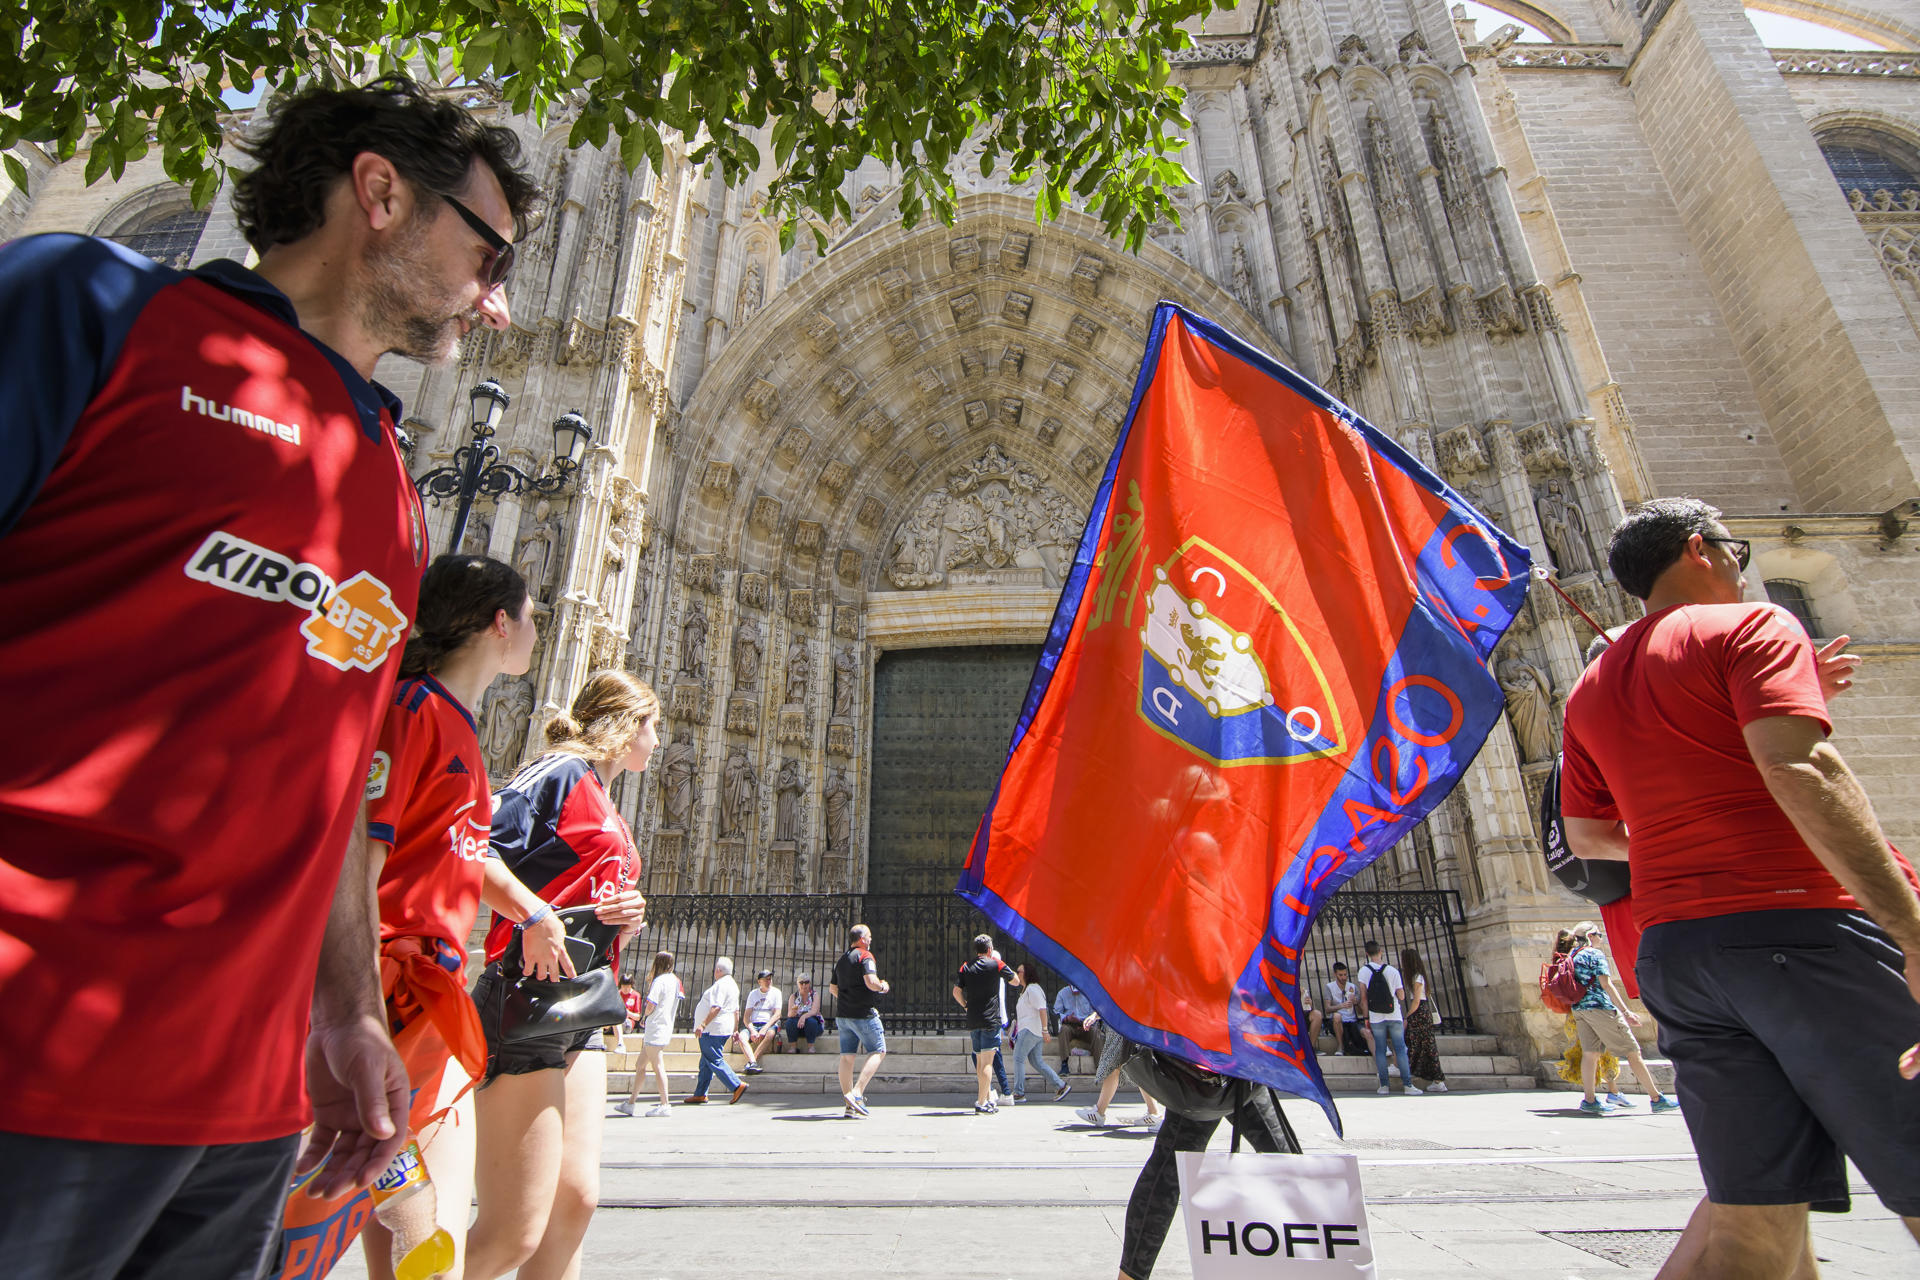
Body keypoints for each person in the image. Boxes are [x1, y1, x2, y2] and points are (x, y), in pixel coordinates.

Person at [0, 73, 534, 1276]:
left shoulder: (390, 486)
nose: (497, 304)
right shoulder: (88, 306)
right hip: (32, 1048)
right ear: (381, 192)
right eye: (489, 251)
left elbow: (341, 780)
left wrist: (342, 1009)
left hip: (242, 1108)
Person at [1561, 497, 1920, 1277]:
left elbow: (1588, 836)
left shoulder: (1589, 687)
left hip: (1681, 957)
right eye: (1736, 547)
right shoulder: (1755, 625)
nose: (1741, 563)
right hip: (1804, 932)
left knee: (1755, 1220)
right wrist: (1913, 932)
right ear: (1702, 549)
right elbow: (1799, 769)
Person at [276, 554, 537, 1280]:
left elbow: (454, 853)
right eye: (531, 615)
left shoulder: (460, 728)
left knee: (422, 1237)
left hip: (436, 998)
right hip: (394, 995)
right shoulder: (414, 710)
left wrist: (530, 908)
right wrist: (352, 1009)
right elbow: (358, 855)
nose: (536, 630)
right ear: (498, 622)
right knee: (313, 1223)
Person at [465, 670, 656, 1280]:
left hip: (584, 1000)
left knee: (574, 1201)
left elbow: (582, 889)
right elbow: (472, 841)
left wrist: (624, 918)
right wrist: (533, 914)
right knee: (511, 1235)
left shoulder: (606, 798)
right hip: (527, 994)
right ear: (627, 727)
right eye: (654, 724)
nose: (661, 739)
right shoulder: (561, 771)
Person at [1115, 1070, 1301, 1280]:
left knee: (1167, 1169)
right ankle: (1315, 1259)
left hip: (1216, 1068)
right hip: (1216, 1066)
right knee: (1287, 1165)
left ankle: (1315, 1258)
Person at [1563, 922, 1677, 1116]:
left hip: (1580, 1009)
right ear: (1590, 936)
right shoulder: (1594, 954)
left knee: (1590, 1054)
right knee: (1633, 1052)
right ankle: (1656, 1098)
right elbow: (1606, 984)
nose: (1601, 937)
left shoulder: (1573, 955)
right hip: (1601, 1008)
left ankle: (1589, 1100)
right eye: (1599, 934)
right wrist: (1626, 1012)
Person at [952, 934, 1022, 1113]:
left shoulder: (966, 966)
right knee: (987, 1063)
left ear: (976, 950)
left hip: (973, 1018)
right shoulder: (995, 964)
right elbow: (1015, 981)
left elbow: (956, 991)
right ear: (990, 950)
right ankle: (982, 1102)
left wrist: (966, 1005)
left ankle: (984, 1097)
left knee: (979, 1061)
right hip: (991, 1019)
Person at [830, 923, 892, 1117]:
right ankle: (857, 1093)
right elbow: (870, 982)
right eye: (870, 937)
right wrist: (882, 986)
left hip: (843, 1015)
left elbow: (833, 989)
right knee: (878, 1050)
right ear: (863, 939)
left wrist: (848, 999)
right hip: (863, 1014)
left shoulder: (842, 959)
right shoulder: (865, 955)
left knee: (847, 1057)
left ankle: (849, 1104)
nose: (871, 940)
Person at [618, 951, 682, 1118]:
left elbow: (651, 1004)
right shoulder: (675, 981)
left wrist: (645, 1017)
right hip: (664, 1026)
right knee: (640, 1065)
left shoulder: (659, 981)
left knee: (658, 1066)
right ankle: (630, 1103)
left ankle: (665, 1104)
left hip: (656, 1027)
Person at [1074, 1013, 1163, 1130]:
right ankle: (1153, 1112)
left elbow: (1119, 1000)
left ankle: (1099, 1112)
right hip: (1127, 1025)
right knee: (1135, 1067)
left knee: (1117, 1066)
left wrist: (1096, 1015)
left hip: (1123, 1027)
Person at [1357, 940, 1419, 1095]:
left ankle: (1384, 1085)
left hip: (1376, 1016)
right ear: (1381, 951)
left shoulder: (1363, 971)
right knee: (1400, 1048)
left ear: (1367, 954)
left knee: (1379, 1049)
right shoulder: (1392, 971)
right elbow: (1402, 996)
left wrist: (1366, 1018)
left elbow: (1363, 998)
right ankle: (1408, 1084)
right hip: (1394, 1014)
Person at [687, 957, 749, 1104]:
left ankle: (736, 1085)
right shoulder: (732, 985)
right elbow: (736, 1010)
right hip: (722, 1028)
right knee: (706, 1061)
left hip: (713, 1029)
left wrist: (702, 1025)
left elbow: (716, 1007)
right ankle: (701, 1093)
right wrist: (735, 1029)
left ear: (718, 970)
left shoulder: (720, 985)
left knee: (713, 1058)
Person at [1010, 962, 1072, 1103]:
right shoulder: (1028, 990)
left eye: (1019, 971)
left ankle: (1018, 1093)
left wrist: (1045, 1030)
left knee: (1018, 1058)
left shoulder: (1032, 989)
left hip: (1030, 1030)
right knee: (1036, 1061)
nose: (1017, 973)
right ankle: (1060, 1086)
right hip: (1033, 1030)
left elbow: (1042, 1009)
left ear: (1026, 974)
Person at [1397, 947, 1448, 1094]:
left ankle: (1437, 1080)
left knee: (1423, 1045)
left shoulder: (1417, 977)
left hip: (1420, 1013)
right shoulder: (1419, 976)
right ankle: (1436, 1080)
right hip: (1422, 1014)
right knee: (1425, 1046)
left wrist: (1407, 1016)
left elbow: (1416, 1001)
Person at [737, 969, 782, 1073]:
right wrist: (752, 1030)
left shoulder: (776, 993)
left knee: (770, 1034)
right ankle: (753, 1063)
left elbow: (777, 1014)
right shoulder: (753, 994)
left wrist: (765, 1028)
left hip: (767, 1024)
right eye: (766, 979)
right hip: (753, 1024)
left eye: (770, 979)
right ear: (759, 982)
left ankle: (752, 1062)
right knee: (741, 1037)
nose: (769, 981)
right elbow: (746, 1017)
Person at [1325, 961, 1373, 1056]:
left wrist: (1356, 1002)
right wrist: (1341, 1005)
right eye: (1340, 975)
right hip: (1338, 1020)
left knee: (1366, 1033)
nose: (1343, 977)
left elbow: (1361, 1010)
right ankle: (1340, 1046)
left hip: (1352, 1021)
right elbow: (1327, 1009)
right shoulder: (1329, 987)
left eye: (1345, 975)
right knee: (1337, 1016)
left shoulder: (1353, 987)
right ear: (1335, 974)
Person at [1053, 982, 1098, 1074]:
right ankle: (1064, 1064)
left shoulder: (1088, 994)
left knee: (1096, 1033)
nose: (1076, 993)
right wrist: (1067, 1018)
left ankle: (1099, 1065)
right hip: (1070, 1025)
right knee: (1063, 1030)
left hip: (1086, 1025)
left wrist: (1087, 1022)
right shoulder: (1062, 993)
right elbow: (1056, 1012)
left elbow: (1095, 1014)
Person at [784, 974, 825, 1052]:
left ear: (809, 983)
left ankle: (811, 1047)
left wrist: (803, 1017)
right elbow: (789, 1014)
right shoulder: (793, 996)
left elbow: (814, 1011)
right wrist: (793, 1011)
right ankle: (793, 1047)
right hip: (798, 1025)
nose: (804, 985)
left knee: (811, 1021)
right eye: (801, 982)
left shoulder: (814, 995)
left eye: (806, 982)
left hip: (814, 1026)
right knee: (790, 1022)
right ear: (798, 984)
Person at [616, 978, 642, 1053]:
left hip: (627, 1023)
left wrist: (628, 1013)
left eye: (628, 987)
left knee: (618, 1022)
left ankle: (620, 1044)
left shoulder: (636, 995)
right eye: (623, 986)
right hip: (616, 1022)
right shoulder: (617, 994)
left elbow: (637, 1017)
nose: (625, 989)